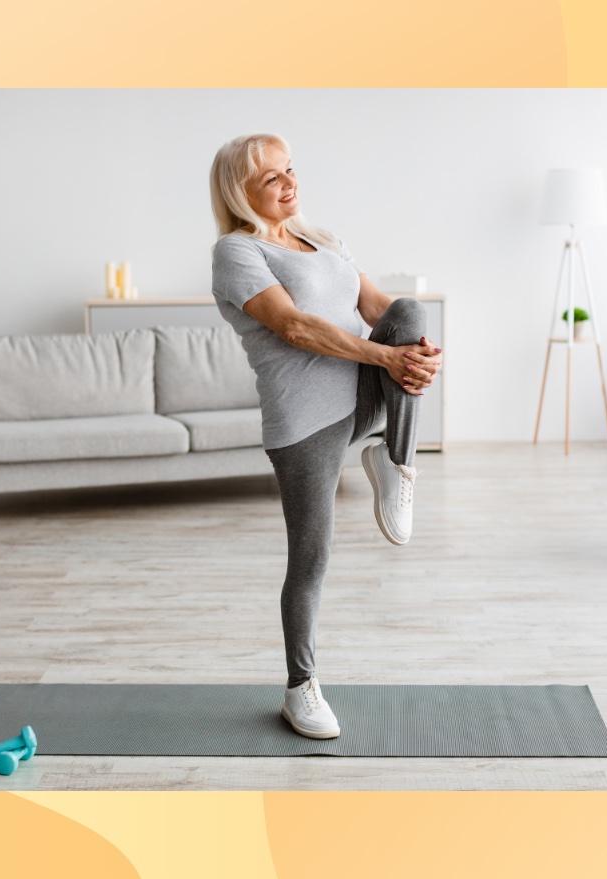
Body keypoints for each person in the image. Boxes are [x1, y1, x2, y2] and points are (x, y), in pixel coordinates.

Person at [208, 133, 442, 739]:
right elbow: (293, 326)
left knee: (412, 313)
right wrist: (386, 360)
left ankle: (396, 463)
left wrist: (417, 353)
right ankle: (299, 687)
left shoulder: (323, 240)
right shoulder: (236, 252)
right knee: (311, 558)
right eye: (271, 179)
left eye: (290, 171)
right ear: (241, 192)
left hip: (362, 395)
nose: (290, 184)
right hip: (304, 420)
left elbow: (376, 305)